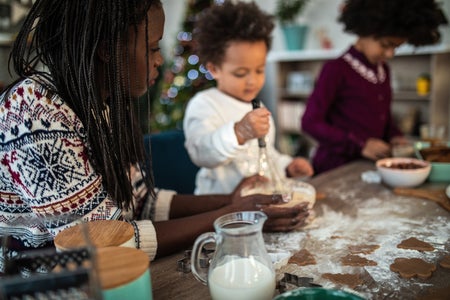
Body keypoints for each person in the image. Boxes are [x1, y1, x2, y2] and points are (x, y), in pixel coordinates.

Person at [0, 0, 310, 272]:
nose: (159, 60)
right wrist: (232, 215)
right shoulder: (34, 112)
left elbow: (140, 201)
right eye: (152, 47)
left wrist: (230, 202)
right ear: (109, 49)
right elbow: (102, 244)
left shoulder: (100, 106)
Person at [301, 0, 448, 174]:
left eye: (396, 47)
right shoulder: (336, 69)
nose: (390, 54)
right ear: (364, 31)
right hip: (335, 168)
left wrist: (395, 136)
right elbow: (310, 122)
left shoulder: (383, 70)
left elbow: (383, 118)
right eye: (386, 45)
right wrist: (360, 145)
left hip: (369, 167)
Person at [183, 1, 314, 196]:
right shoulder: (204, 104)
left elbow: (266, 154)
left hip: (256, 204)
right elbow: (201, 153)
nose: (252, 81)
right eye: (241, 73)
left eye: (259, 70)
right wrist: (239, 132)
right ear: (214, 69)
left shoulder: (256, 105)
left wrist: (287, 166)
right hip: (218, 208)